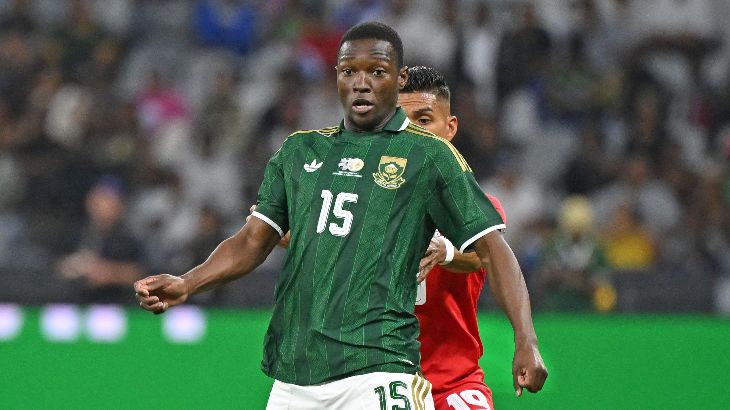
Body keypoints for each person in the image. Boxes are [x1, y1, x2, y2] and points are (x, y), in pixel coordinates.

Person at [135, 22, 547, 409]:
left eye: (377, 72)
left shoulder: (430, 156)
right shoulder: (299, 152)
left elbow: (492, 249)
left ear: (398, 79)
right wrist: (188, 282)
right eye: (349, 71)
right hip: (294, 377)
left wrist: (526, 340)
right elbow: (252, 240)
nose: (361, 82)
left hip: (380, 370)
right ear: (336, 77)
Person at [399, 66, 503, 410]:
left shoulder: (478, 208)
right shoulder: (364, 204)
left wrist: (444, 250)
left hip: (452, 382)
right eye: (401, 122)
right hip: (378, 383)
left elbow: (482, 255)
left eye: (424, 120)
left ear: (450, 127)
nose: (412, 133)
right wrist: (273, 228)